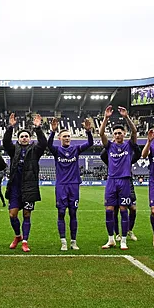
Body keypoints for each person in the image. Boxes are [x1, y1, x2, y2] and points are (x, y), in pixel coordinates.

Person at [3, 113, 47, 252]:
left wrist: (38, 128)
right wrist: (10, 127)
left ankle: (25, 241)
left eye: (26, 136)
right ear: (18, 139)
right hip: (15, 186)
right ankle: (17, 236)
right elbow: (5, 142)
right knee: (12, 215)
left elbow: (44, 143)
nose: (24, 138)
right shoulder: (13, 150)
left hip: (29, 187)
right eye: (21, 136)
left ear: (29, 138)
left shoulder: (35, 150)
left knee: (27, 214)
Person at [47, 117, 93, 251]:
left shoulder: (76, 149)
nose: (67, 138)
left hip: (74, 185)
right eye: (64, 136)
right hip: (61, 185)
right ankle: (63, 242)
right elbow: (49, 145)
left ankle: (73, 241)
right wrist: (52, 131)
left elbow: (90, 143)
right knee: (61, 212)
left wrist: (88, 131)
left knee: (73, 212)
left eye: (68, 136)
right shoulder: (57, 151)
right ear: (60, 138)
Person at [98, 105, 138, 250]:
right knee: (109, 210)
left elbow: (134, 131)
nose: (117, 135)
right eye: (115, 133)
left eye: (120, 133)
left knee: (123, 210)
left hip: (125, 180)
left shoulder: (129, 145)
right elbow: (101, 133)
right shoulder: (109, 146)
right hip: (111, 180)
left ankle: (124, 240)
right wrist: (105, 118)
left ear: (124, 134)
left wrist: (126, 117)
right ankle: (111, 239)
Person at [100, 143, 140, 242]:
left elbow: (138, 154)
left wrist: (135, 145)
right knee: (115, 209)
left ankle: (129, 230)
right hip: (114, 181)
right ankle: (117, 233)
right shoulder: (111, 158)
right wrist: (110, 146)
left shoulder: (127, 156)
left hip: (127, 182)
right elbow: (102, 155)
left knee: (133, 208)